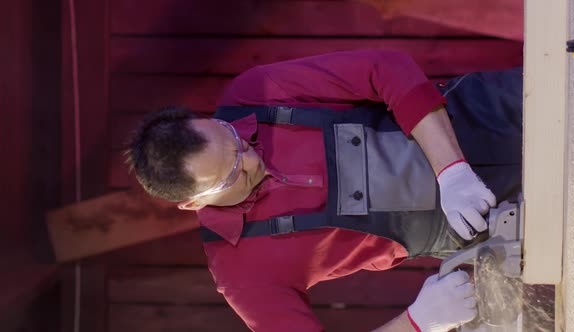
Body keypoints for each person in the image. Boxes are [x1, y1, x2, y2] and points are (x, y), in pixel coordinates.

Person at [126, 50, 523, 332]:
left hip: (490, 111)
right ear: (193, 202)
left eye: (235, 140)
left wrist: (451, 171)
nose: (251, 160)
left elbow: (384, 66)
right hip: (497, 220)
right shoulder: (241, 272)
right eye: (231, 174)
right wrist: (418, 322)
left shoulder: (255, 92)